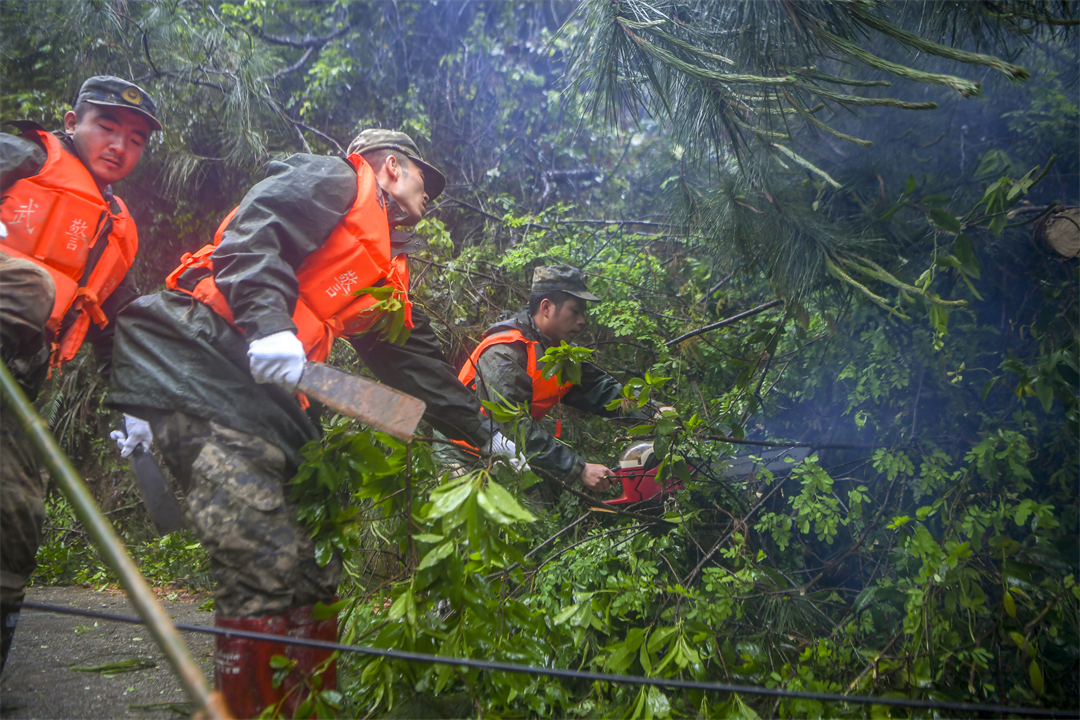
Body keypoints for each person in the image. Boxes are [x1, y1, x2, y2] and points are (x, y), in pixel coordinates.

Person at [107, 129, 523, 718]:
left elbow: (416, 367)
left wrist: (485, 433)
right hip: (202, 358)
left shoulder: (385, 267)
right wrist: (270, 324)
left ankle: (307, 706)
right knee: (261, 556)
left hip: (273, 399)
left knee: (315, 564)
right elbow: (256, 229)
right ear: (390, 166)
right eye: (423, 178)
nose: (430, 195)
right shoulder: (334, 180)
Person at [0, 76, 160, 673]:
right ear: (72, 123)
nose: (120, 145)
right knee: (32, 284)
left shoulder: (115, 230)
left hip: (17, 386)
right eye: (107, 127)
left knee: (17, 512)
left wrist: (137, 408)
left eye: (135, 139)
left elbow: (117, 335)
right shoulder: (25, 156)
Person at [458, 265, 649, 508]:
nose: (582, 321)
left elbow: (602, 391)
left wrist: (653, 413)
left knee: (539, 509)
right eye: (575, 311)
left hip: (507, 454)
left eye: (583, 313)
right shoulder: (504, 352)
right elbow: (513, 426)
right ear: (546, 307)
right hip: (464, 455)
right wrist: (578, 468)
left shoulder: (557, 352)